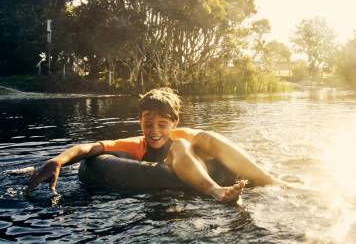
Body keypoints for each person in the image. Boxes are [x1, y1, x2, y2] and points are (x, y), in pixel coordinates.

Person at [27, 88, 278, 202]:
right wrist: (59, 160)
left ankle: (269, 180)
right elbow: (91, 148)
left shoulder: (184, 135)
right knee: (178, 147)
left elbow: (213, 142)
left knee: (188, 142)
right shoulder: (137, 145)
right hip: (166, 186)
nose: (154, 131)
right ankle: (216, 192)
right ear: (140, 121)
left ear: (174, 122)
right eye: (148, 123)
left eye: (162, 124)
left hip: (196, 170)